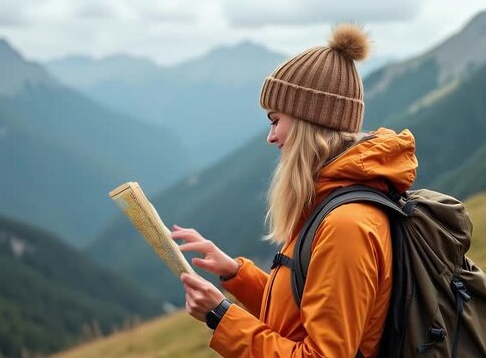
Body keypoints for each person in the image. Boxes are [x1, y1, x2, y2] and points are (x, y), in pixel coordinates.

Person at [172, 23, 418, 357]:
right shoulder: (329, 202)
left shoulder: (347, 225)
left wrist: (221, 315)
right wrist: (235, 273)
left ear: (308, 121)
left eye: (275, 120)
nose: (270, 136)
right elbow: (302, 312)